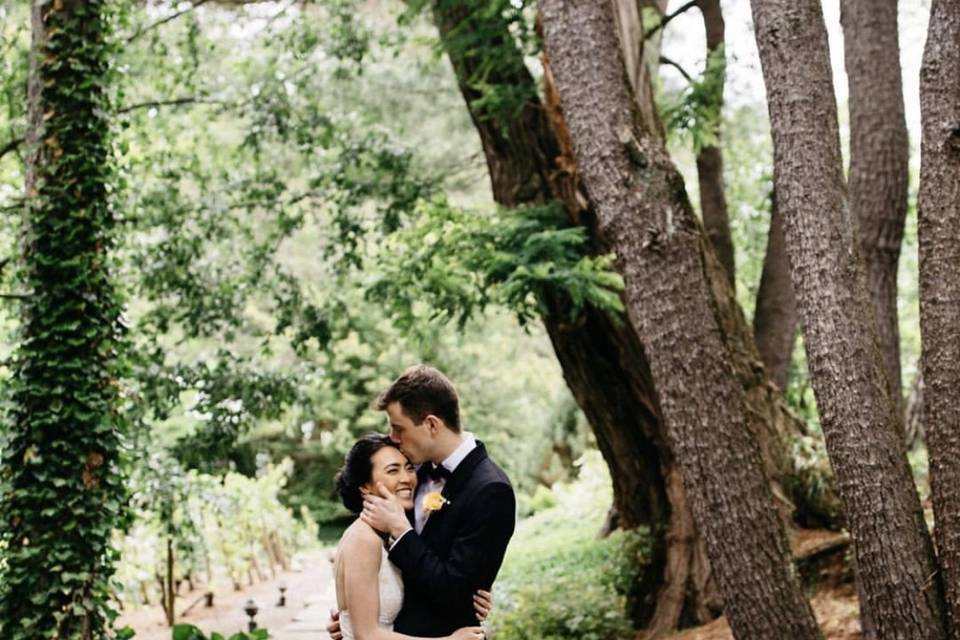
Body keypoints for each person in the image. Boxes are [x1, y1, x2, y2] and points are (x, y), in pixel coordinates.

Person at [329, 365, 516, 639]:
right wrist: (353, 617)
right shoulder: (411, 475)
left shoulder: (491, 489)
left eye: (398, 428)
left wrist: (400, 530)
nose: (393, 438)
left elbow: (457, 588)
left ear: (431, 424)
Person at [333, 433, 489, 640]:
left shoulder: (389, 535)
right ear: (364, 487)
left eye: (408, 468)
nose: (406, 479)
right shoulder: (364, 539)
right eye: (392, 470)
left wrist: (467, 594)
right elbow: (366, 635)